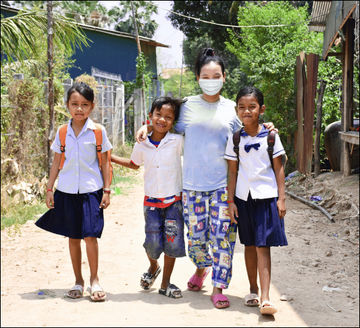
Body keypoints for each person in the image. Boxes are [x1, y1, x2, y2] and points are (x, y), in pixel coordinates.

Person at [136, 48, 276, 309]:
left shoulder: (231, 111)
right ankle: (202, 269)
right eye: (205, 75)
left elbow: (249, 129)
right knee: (196, 240)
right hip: (191, 187)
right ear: (197, 77)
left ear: (224, 77)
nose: (210, 79)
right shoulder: (186, 106)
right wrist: (145, 127)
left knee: (223, 239)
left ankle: (219, 286)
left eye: (216, 75)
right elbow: (162, 124)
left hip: (223, 187)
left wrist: (267, 127)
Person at [35, 82, 112, 302]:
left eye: (84, 105)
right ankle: (78, 281)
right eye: (75, 104)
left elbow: (105, 163)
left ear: (92, 107)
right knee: (73, 237)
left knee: (90, 236)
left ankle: (94, 280)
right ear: (68, 105)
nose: (79, 109)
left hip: (91, 190)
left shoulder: (98, 132)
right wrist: (49, 188)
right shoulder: (62, 132)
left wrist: (107, 190)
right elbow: (56, 162)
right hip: (67, 190)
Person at [111, 96, 186, 298]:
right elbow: (134, 164)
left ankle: (165, 284)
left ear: (174, 121)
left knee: (172, 241)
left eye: (168, 117)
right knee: (152, 243)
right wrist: (109, 157)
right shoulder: (142, 143)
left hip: (174, 202)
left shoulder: (178, 141)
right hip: (151, 202)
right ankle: (153, 266)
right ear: (150, 116)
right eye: (158, 115)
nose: (162, 120)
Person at [225, 86, 287, 315]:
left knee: (263, 245)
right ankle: (252, 290)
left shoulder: (271, 136)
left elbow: (279, 169)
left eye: (252, 107)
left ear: (261, 109)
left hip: (266, 197)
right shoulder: (235, 139)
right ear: (236, 110)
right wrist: (230, 201)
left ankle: (266, 297)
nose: (246, 111)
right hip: (243, 198)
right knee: (249, 244)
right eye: (242, 107)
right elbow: (232, 172)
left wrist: (282, 198)